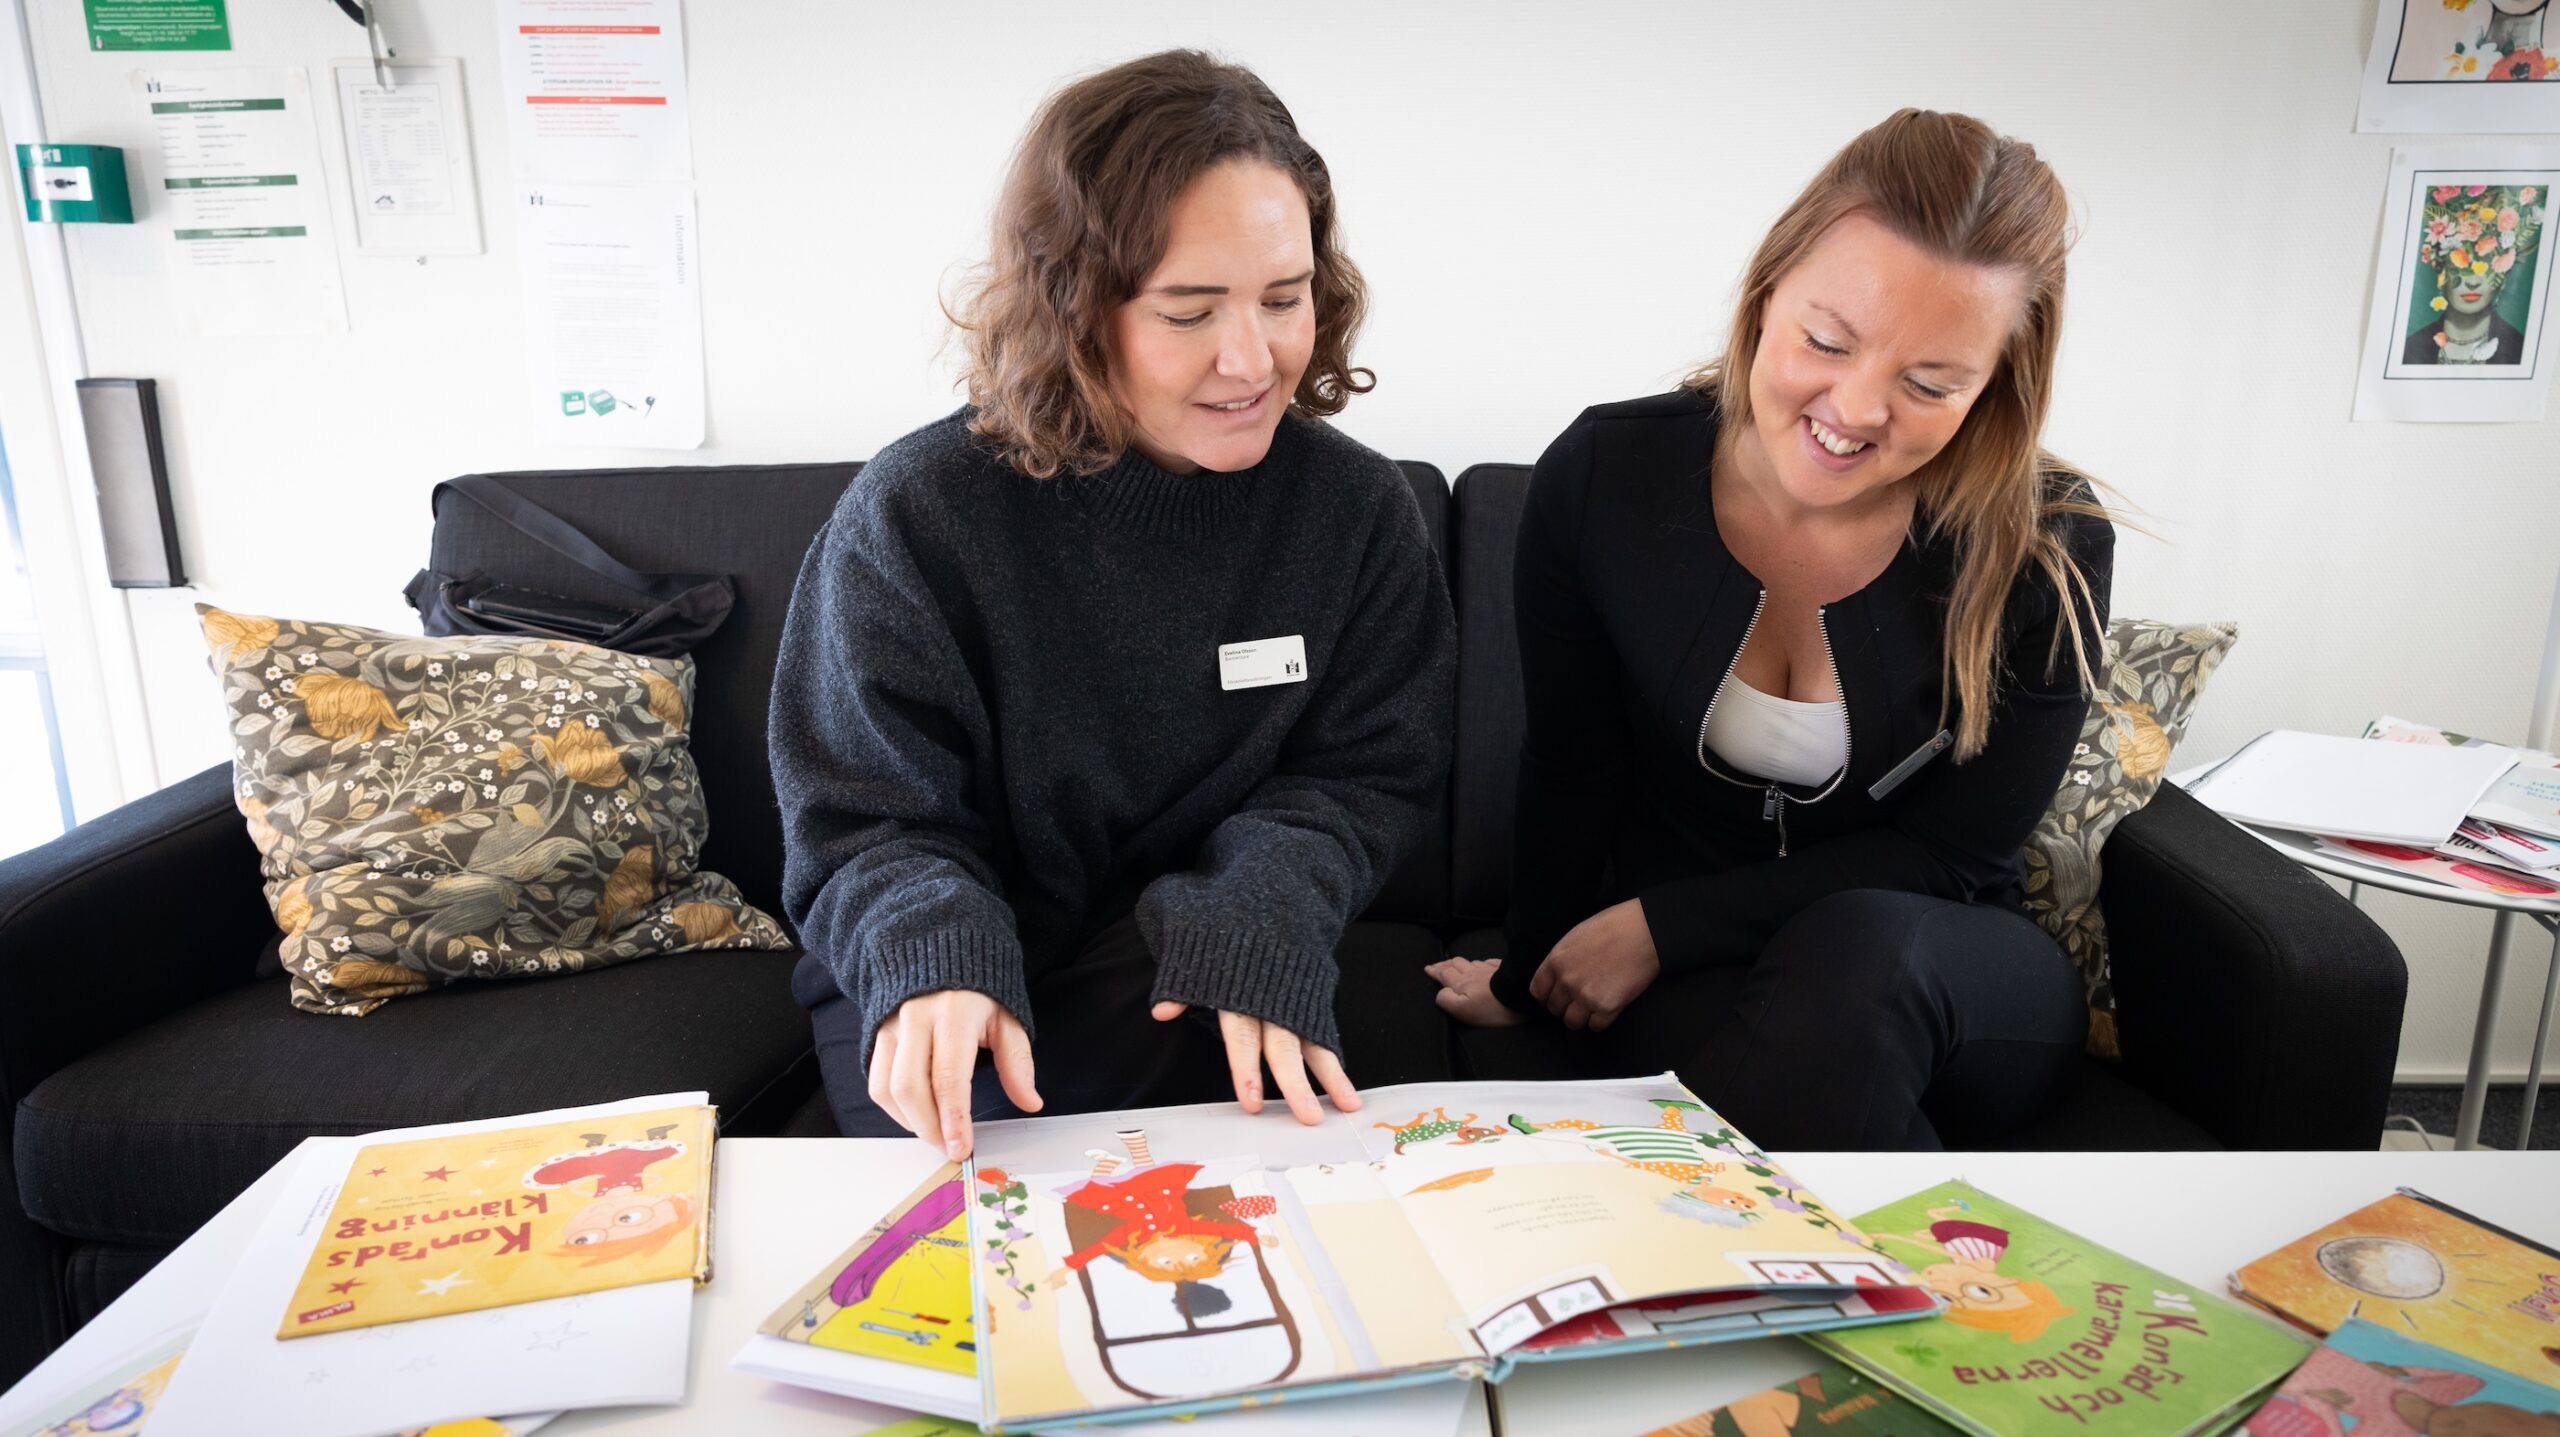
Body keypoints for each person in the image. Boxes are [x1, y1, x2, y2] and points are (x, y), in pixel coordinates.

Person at [773, 51, 1456, 1159]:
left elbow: (1364, 776)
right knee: (999, 1211)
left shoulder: (1355, 511)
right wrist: (934, 959)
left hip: (1200, 954)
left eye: (1285, 300)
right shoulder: (918, 513)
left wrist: (1255, 913)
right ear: (1076, 309)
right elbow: (867, 816)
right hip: (942, 968)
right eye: (1189, 313)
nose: (1254, 359)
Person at [1427, 109, 2114, 1152]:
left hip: (1951, 970)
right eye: (1825, 341)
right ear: (1765, 291)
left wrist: (1663, 927)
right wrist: (1530, 974)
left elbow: (1956, 856)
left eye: (1930, 384)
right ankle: (1913, 1292)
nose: (1854, 407)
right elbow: (1573, 765)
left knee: (1863, 948)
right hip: (1723, 985)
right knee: (1765, 1073)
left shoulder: (2047, 542)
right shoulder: (1606, 477)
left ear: (1994, 386)